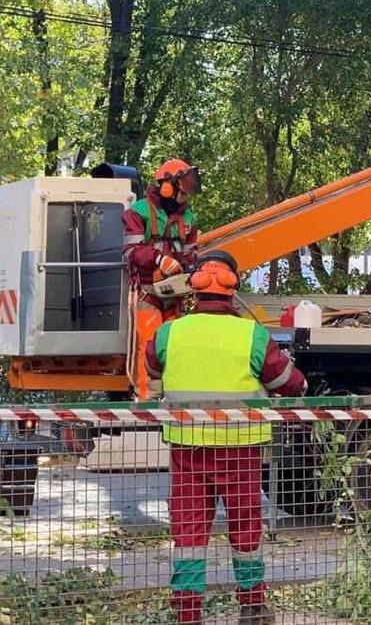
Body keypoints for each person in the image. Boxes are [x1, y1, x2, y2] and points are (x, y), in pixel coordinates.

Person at [146, 250, 306, 625]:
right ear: (233, 290)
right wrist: (300, 380)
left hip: (189, 450)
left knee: (188, 534)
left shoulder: (170, 332)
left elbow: (153, 364)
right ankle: (252, 606)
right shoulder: (252, 334)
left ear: (194, 289)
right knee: (246, 528)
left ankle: (188, 613)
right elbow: (286, 381)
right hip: (240, 450)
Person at [123, 158, 201, 398]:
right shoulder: (138, 212)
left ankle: (172, 397)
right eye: (183, 185)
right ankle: (147, 401)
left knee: (174, 345)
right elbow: (131, 251)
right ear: (167, 186)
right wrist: (160, 259)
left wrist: (193, 271)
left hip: (174, 293)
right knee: (148, 344)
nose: (187, 193)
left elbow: (191, 253)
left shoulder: (188, 218)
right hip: (147, 290)